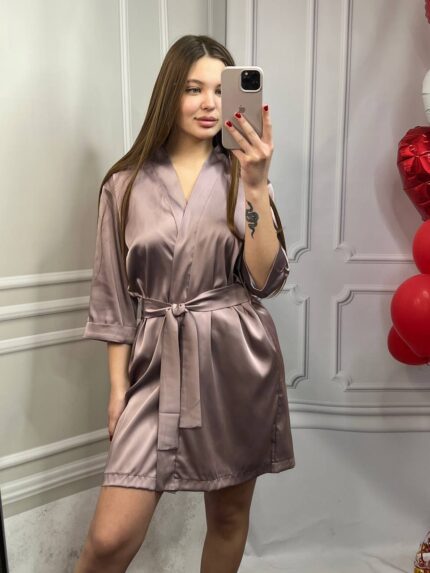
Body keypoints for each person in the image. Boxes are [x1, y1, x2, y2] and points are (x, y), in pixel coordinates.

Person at [74, 34, 295, 573]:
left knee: (228, 517)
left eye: (220, 90)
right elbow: (113, 297)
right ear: (169, 93)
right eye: (193, 89)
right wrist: (118, 389)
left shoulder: (243, 175)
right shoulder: (123, 185)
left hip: (235, 360)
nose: (209, 103)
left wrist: (257, 186)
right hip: (156, 364)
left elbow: (264, 279)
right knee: (107, 541)